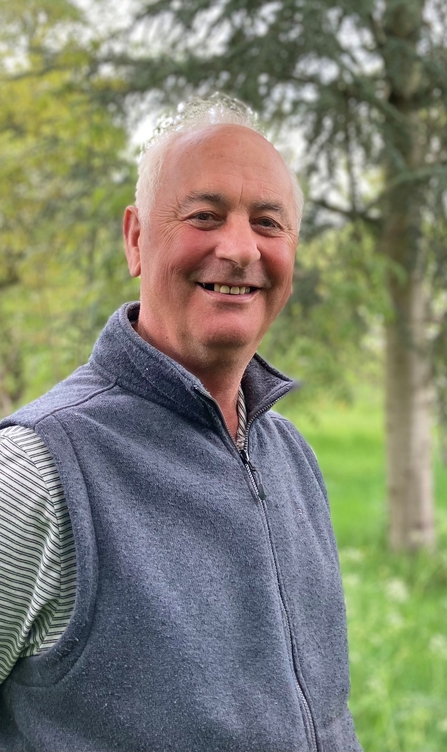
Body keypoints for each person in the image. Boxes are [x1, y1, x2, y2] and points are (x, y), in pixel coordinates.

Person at [0, 96, 362, 752]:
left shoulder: (292, 458)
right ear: (136, 238)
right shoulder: (36, 474)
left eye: (267, 222)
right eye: (204, 215)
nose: (239, 248)